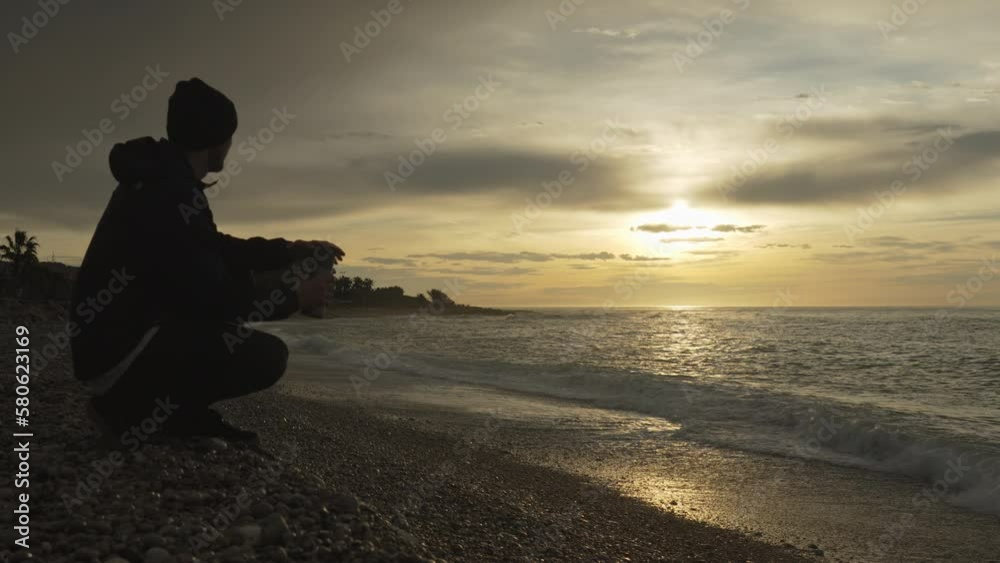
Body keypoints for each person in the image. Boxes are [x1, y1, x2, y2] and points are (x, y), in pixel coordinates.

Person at [70, 78, 344, 443]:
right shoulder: (171, 192)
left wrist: (288, 250)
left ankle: (171, 413)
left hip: (106, 345)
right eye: (229, 136)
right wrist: (296, 297)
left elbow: (214, 248)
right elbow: (216, 296)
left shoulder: (160, 179)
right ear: (214, 140)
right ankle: (130, 411)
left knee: (222, 318)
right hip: (116, 354)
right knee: (266, 356)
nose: (231, 146)